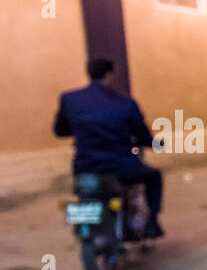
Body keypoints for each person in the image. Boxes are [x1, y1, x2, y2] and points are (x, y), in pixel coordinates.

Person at [54, 58, 164, 238]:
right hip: (121, 167)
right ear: (109, 75)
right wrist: (156, 144)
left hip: (85, 167)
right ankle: (152, 222)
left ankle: (86, 223)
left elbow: (60, 130)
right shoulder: (125, 104)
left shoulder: (70, 99)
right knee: (154, 177)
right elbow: (142, 135)